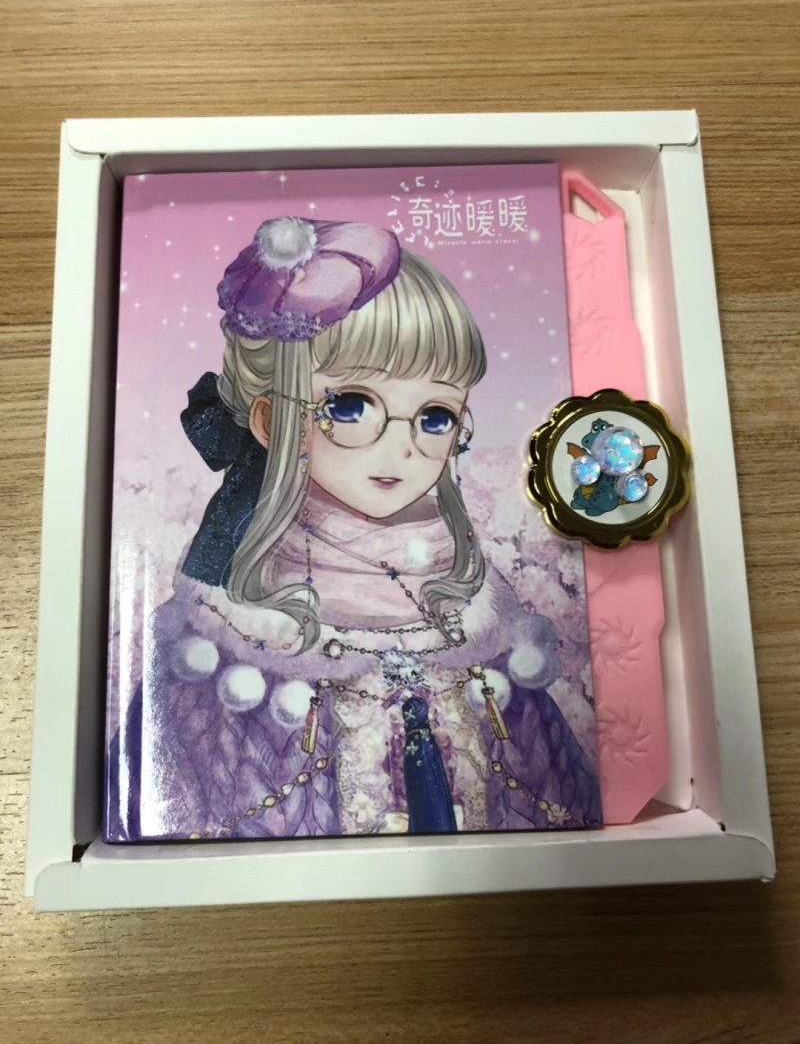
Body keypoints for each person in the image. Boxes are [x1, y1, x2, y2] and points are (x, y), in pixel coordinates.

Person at [107, 215, 600, 842]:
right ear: (269, 421)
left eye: (435, 416)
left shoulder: (476, 611)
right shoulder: (226, 639)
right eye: (351, 405)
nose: (402, 448)